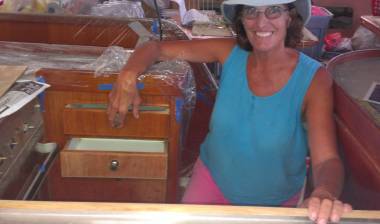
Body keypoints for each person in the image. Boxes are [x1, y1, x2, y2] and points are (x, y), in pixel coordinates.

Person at [107, 0, 352, 223]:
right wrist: (128, 75)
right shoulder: (229, 52)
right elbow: (155, 48)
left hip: (274, 201)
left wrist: (324, 192)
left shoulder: (313, 80)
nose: (261, 21)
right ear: (241, 19)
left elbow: (327, 160)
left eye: (274, 10)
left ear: (291, 17)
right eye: (251, 11)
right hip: (211, 179)